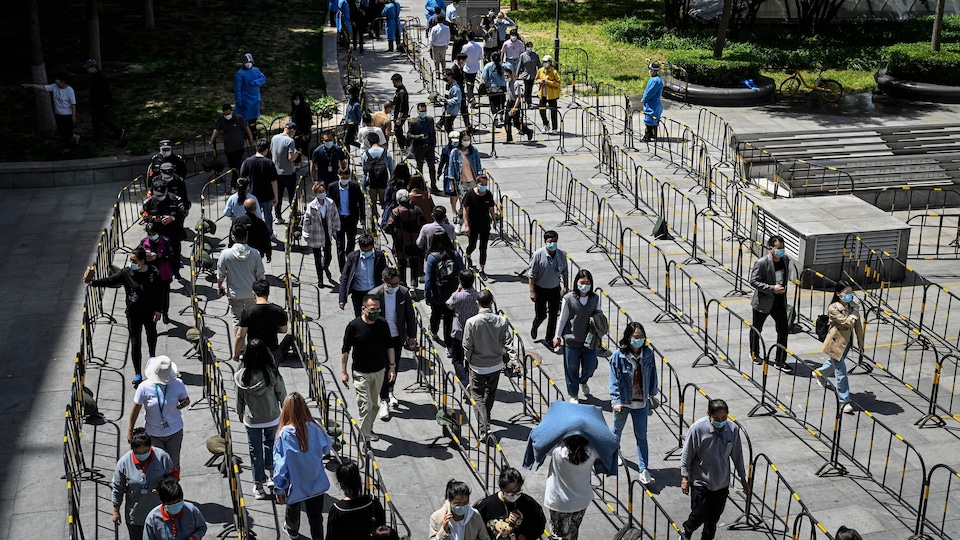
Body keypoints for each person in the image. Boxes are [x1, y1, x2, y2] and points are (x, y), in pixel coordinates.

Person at [84, 247, 162, 387]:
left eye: (134, 260)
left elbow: (159, 292)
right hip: (133, 314)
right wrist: (92, 283)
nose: (130, 262)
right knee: (135, 342)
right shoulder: (126, 273)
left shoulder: (153, 272)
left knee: (151, 335)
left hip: (149, 312)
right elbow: (110, 280)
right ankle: (138, 373)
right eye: (130, 259)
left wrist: (158, 309)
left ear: (142, 261)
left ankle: (152, 358)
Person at [680, 399, 749, 540]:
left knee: (713, 520)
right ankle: (687, 530)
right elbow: (687, 454)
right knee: (698, 514)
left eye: (724, 418)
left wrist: (743, 479)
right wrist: (685, 477)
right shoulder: (697, 429)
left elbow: (737, 455)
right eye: (716, 419)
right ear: (709, 415)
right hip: (701, 482)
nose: (720, 422)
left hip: (721, 483)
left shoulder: (732, 430)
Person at [273, 392, 334, 540]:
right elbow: (327, 448)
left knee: (293, 509)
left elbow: (280, 467)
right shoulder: (315, 427)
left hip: (296, 483)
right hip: (316, 481)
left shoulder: (284, 435)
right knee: (316, 518)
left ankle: (292, 531)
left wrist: (279, 488)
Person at [235, 338, 287, 499]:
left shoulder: (242, 376)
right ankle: (272, 475)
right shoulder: (272, 373)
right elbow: (282, 395)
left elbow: (239, 398)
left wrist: (240, 412)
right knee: (272, 447)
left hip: (252, 419)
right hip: (272, 417)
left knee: (255, 452)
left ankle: (258, 485)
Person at [342, 295, 396, 441]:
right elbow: (345, 350)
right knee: (365, 405)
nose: (376, 312)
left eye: (378, 309)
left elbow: (389, 346)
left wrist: (392, 367)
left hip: (379, 371)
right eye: (373, 309)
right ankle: (364, 437)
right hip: (360, 372)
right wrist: (344, 372)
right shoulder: (353, 326)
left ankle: (368, 429)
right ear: (363, 309)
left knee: (374, 406)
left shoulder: (382, 324)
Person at [609, 322, 659, 482]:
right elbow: (614, 380)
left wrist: (652, 393)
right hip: (623, 403)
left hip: (641, 403)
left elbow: (652, 374)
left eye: (641, 337)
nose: (639, 340)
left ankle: (643, 469)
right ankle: (614, 452)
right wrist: (616, 401)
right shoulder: (618, 356)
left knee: (642, 436)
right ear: (629, 337)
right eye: (636, 337)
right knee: (617, 431)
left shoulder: (648, 354)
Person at [463, 290, 514, 437]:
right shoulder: (501, 320)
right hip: (496, 364)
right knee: (490, 393)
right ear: (491, 302)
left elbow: (467, 345)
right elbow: (508, 342)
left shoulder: (471, 322)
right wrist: (514, 360)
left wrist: (467, 359)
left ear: (477, 303)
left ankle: (484, 427)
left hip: (477, 366)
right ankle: (486, 418)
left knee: (477, 396)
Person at [111, 428, 178, 540]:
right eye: (138, 453)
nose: (142, 455)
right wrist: (116, 511)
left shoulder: (162, 457)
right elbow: (118, 488)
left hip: (160, 515)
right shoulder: (123, 463)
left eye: (146, 451)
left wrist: (163, 487)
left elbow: (174, 476)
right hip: (136, 518)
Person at [368, 267, 417, 420]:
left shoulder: (403, 292)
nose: (395, 287)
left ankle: (390, 391)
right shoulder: (375, 295)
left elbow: (410, 315)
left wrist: (411, 336)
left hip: (397, 337)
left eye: (397, 283)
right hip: (381, 338)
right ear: (384, 282)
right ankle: (384, 400)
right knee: (383, 368)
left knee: (393, 366)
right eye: (392, 284)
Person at [128, 356, 190, 468]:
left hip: (175, 432)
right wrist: (130, 431)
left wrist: (184, 403)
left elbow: (185, 399)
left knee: (173, 464)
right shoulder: (144, 387)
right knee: (156, 465)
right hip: (153, 433)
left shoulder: (178, 383)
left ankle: (173, 485)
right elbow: (135, 410)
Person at [553, 269, 602, 403]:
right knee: (571, 369)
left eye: (587, 283)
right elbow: (562, 319)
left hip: (589, 341)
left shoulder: (594, 298)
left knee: (591, 366)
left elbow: (599, 315)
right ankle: (573, 394)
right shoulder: (568, 299)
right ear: (576, 283)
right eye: (582, 282)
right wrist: (557, 336)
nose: (584, 285)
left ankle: (583, 380)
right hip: (572, 341)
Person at [748, 235, 793, 373]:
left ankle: (780, 360)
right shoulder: (762, 263)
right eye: (779, 248)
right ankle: (755, 353)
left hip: (779, 302)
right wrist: (772, 288)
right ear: (771, 248)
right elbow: (753, 281)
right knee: (757, 328)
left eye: (783, 248)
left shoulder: (785, 260)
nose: (781, 250)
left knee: (783, 330)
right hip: (764, 301)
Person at [820, 281, 863, 415]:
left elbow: (858, 326)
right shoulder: (834, 308)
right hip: (836, 343)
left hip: (847, 342)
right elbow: (847, 323)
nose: (849, 296)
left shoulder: (853, 306)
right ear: (839, 294)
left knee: (835, 362)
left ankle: (819, 373)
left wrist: (861, 344)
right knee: (841, 372)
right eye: (846, 293)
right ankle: (844, 400)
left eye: (851, 293)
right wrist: (855, 313)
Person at [543, 435, 597, 540]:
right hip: (581, 501)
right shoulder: (592, 451)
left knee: (558, 535)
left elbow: (540, 439)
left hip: (559, 503)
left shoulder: (557, 451)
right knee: (573, 530)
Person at [474, 468, 546, 540]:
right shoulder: (485, 506)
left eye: (517, 491)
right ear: (501, 488)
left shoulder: (529, 504)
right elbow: (473, 528)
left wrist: (525, 534)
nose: (514, 495)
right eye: (510, 493)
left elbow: (539, 525)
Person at [217, 223, 266, 322]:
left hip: (235, 294)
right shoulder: (255, 254)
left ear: (233, 237)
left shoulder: (225, 254)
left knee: (237, 320)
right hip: (252, 293)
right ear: (246, 236)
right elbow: (260, 276)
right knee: (253, 319)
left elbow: (220, 274)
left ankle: (239, 337)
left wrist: (220, 286)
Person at [142, 175, 188, 279]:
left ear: (166, 191)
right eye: (157, 195)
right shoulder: (150, 202)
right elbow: (144, 216)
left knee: (175, 254)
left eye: (161, 195)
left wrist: (172, 218)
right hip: (156, 233)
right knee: (155, 255)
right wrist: (152, 218)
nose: (159, 197)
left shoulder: (175, 200)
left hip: (173, 232)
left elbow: (182, 213)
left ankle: (175, 271)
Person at [326, 461, 386, 539]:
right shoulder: (373, 502)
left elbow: (331, 537)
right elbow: (381, 528)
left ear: (341, 484)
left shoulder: (337, 511)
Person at [233, 279, 288, 362]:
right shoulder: (279, 310)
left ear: (254, 294)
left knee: (241, 374)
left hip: (253, 351)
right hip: (272, 351)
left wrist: (236, 353)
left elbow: (240, 336)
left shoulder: (248, 312)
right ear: (268, 293)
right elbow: (284, 330)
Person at [424, 231, 462, 347]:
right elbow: (463, 271)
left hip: (437, 293)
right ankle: (448, 344)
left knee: (435, 314)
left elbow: (429, 280)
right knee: (449, 319)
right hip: (452, 292)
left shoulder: (432, 257)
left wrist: (427, 295)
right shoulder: (454, 254)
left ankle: (434, 332)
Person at [529, 230, 567, 342]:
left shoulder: (561, 255)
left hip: (555, 289)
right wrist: (532, 291)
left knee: (553, 316)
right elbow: (532, 275)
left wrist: (566, 288)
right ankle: (535, 325)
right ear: (545, 241)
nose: (553, 244)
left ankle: (549, 339)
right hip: (540, 289)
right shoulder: (538, 255)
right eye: (550, 241)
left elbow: (565, 272)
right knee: (541, 315)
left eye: (555, 241)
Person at [22, 76, 79, 153]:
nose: (57, 82)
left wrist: (73, 115)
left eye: (59, 80)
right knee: (61, 130)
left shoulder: (69, 90)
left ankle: (67, 147)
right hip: (58, 114)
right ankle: (74, 137)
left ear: (63, 81)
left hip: (67, 114)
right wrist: (31, 85)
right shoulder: (54, 86)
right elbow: (43, 87)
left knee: (66, 131)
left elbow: (73, 104)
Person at [302, 180, 341, 287]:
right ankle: (320, 279)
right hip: (316, 235)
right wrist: (308, 234)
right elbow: (306, 222)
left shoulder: (330, 203)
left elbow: (335, 217)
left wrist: (336, 231)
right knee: (317, 258)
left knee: (328, 256)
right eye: (319, 192)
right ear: (315, 193)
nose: (322, 193)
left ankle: (326, 266)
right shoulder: (312, 206)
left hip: (327, 234)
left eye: (323, 191)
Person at [142, 478, 207, 540]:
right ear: (163, 503)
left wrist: (193, 538)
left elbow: (202, 528)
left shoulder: (192, 510)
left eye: (179, 502)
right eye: (172, 504)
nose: (176, 506)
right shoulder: (152, 519)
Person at [339, 234, 388, 316]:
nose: (366, 253)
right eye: (364, 251)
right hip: (358, 294)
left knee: (376, 316)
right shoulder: (352, 257)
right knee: (361, 318)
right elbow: (345, 277)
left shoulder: (379, 256)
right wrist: (342, 298)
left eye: (368, 251)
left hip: (375, 293)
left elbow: (384, 273)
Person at [328, 167, 366, 271]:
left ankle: (349, 264)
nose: (344, 179)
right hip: (338, 220)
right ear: (338, 176)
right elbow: (329, 204)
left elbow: (361, 201)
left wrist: (362, 217)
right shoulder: (332, 187)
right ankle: (342, 268)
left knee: (351, 243)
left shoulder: (354, 186)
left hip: (351, 219)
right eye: (342, 177)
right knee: (340, 245)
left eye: (347, 177)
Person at [385, 189, 426, 286]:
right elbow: (423, 223)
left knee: (401, 264)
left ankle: (403, 284)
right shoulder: (416, 209)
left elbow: (388, 227)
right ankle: (414, 284)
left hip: (400, 243)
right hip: (415, 242)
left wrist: (395, 233)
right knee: (414, 263)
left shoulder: (395, 212)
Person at [208, 104, 254, 190]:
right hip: (229, 148)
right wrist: (212, 139)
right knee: (233, 167)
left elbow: (246, 128)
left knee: (236, 166)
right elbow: (216, 129)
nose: (227, 116)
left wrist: (250, 138)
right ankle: (239, 182)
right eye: (225, 114)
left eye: (228, 114)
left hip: (238, 147)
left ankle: (235, 184)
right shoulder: (222, 120)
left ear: (231, 111)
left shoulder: (239, 118)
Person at [240, 138, 280, 230]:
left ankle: (255, 233)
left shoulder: (247, 161)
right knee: (268, 216)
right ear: (266, 150)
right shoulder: (269, 163)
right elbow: (273, 181)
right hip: (267, 195)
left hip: (251, 195)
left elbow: (242, 178)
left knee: (254, 216)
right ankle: (269, 233)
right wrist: (276, 197)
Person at [446, 270, 479, 381]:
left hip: (458, 332)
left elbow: (449, 305)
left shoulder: (457, 296)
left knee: (456, 359)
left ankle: (464, 380)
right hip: (473, 333)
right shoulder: (477, 296)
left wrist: (457, 290)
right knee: (470, 358)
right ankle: (469, 377)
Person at [139, 222, 175, 323]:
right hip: (149, 274)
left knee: (164, 294)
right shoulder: (144, 242)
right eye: (149, 234)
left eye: (153, 234)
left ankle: (165, 313)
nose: (151, 236)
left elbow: (171, 255)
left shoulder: (166, 241)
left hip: (164, 273)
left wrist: (158, 256)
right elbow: (138, 255)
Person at [461, 174, 495, 277]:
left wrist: (494, 220)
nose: (484, 186)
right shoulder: (470, 195)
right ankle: (468, 254)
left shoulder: (488, 194)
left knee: (483, 247)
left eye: (485, 184)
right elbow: (465, 210)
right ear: (477, 184)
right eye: (482, 184)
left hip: (485, 223)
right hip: (473, 224)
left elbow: (491, 208)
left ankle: (482, 269)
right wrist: (466, 224)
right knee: (473, 245)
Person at [448, 131, 482, 232]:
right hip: (461, 183)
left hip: (473, 182)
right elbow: (451, 168)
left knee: (473, 204)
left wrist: (480, 178)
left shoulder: (474, 151)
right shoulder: (454, 152)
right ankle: (460, 223)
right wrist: (451, 183)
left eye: (468, 140)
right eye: (464, 140)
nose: (466, 142)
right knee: (464, 205)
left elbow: (478, 165)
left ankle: (471, 224)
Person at [83, 59, 125, 142]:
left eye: (89, 67)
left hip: (102, 103)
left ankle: (118, 131)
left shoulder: (101, 77)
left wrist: (107, 102)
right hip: (95, 103)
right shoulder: (93, 77)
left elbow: (106, 91)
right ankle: (97, 137)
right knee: (96, 121)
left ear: (93, 67)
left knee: (105, 119)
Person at [271, 121, 301, 224]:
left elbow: (272, 151)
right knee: (292, 195)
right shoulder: (290, 141)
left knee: (277, 196)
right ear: (292, 130)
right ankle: (294, 215)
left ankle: (278, 217)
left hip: (276, 173)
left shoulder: (274, 138)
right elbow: (291, 158)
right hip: (288, 173)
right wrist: (296, 154)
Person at [362, 132, 395, 218]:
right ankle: (385, 217)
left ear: (369, 142)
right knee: (385, 202)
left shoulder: (366, 155)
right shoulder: (386, 153)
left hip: (372, 183)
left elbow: (365, 172)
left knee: (372, 203)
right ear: (379, 140)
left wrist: (364, 187)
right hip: (384, 183)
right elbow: (392, 169)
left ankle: (375, 217)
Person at [231, 198, 273, 263]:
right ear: (255, 208)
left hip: (240, 252)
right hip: (257, 252)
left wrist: (231, 247)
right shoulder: (261, 223)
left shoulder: (237, 221)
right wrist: (268, 253)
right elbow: (266, 239)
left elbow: (232, 234)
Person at [235, 53, 267, 133]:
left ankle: (253, 132)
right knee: (243, 119)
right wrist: (239, 101)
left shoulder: (256, 70)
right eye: (246, 62)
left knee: (253, 119)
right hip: (245, 100)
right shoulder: (240, 74)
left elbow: (263, 78)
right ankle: (244, 133)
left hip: (255, 99)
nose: (248, 64)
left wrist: (255, 82)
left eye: (250, 62)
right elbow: (238, 89)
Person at [503, 66, 533, 143]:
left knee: (516, 123)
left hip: (515, 103)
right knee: (506, 121)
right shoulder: (507, 83)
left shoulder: (516, 84)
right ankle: (509, 138)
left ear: (511, 75)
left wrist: (514, 108)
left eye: (507, 76)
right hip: (509, 103)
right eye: (505, 76)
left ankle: (528, 131)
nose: (506, 77)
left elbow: (518, 97)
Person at [536, 56, 561, 134]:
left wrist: (549, 82)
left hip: (551, 95)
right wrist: (540, 81)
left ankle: (554, 128)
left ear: (550, 62)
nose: (544, 63)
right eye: (543, 61)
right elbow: (536, 79)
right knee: (541, 110)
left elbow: (558, 83)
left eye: (546, 61)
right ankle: (546, 125)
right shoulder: (540, 70)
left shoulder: (554, 72)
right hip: (542, 93)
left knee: (553, 111)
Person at [641, 62, 663, 143]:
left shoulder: (655, 81)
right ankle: (653, 135)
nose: (649, 71)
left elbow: (650, 92)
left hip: (652, 104)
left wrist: (644, 99)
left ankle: (648, 136)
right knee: (653, 120)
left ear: (653, 70)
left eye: (650, 69)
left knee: (649, 120)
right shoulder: (656, 79)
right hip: (654, 103)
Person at [481, 53, 507, 122]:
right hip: (502, 86)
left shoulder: (488, 66)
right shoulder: (503, 65)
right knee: (501, 101)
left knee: (492, 102)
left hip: (491, 87)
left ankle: (495, 116)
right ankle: (501, 115)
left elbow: (484, 77)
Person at [291, 92, 314, 159]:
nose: (295, 101)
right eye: (294, 99)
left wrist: (306, 133)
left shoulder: (305, 107)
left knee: (305, 149)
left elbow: (308, 121)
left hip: (304, 132)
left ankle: (313, 161)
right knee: (296, 148)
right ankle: (297, 163)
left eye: (297, 99)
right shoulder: (295, 108)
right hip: (296, 132)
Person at [517, 42, 541, 107]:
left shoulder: (535, 55)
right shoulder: (523, 55)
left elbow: (539, 65)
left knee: (530, 89)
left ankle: (529, 101)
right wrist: (517, 73)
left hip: (533, 74)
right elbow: (520, 65)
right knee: (527, 88)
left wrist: (541, 73)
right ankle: (527, 101)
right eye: (529, 47)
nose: (530, 48)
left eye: (531, 47)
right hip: (525, 74)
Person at [462, 34, 483, 103]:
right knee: (472, 83)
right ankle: (470, 96)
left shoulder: (465, 47)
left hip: (467, 68)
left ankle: (471, 97)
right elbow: (480, 58)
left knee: (468, 84)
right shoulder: (479, 46)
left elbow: (462, 56)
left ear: (467, 38)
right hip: (475, 68)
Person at [391, 74, 410, 148]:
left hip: (401, 115)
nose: (393, 84)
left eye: (394, 82)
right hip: (396, 114)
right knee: (398, 131)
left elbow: (402, 106)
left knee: (397, 131)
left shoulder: (402, 92)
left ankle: (405, 145)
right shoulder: (398, 90)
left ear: (398, 81)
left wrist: (399, 117)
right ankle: (404, 145)